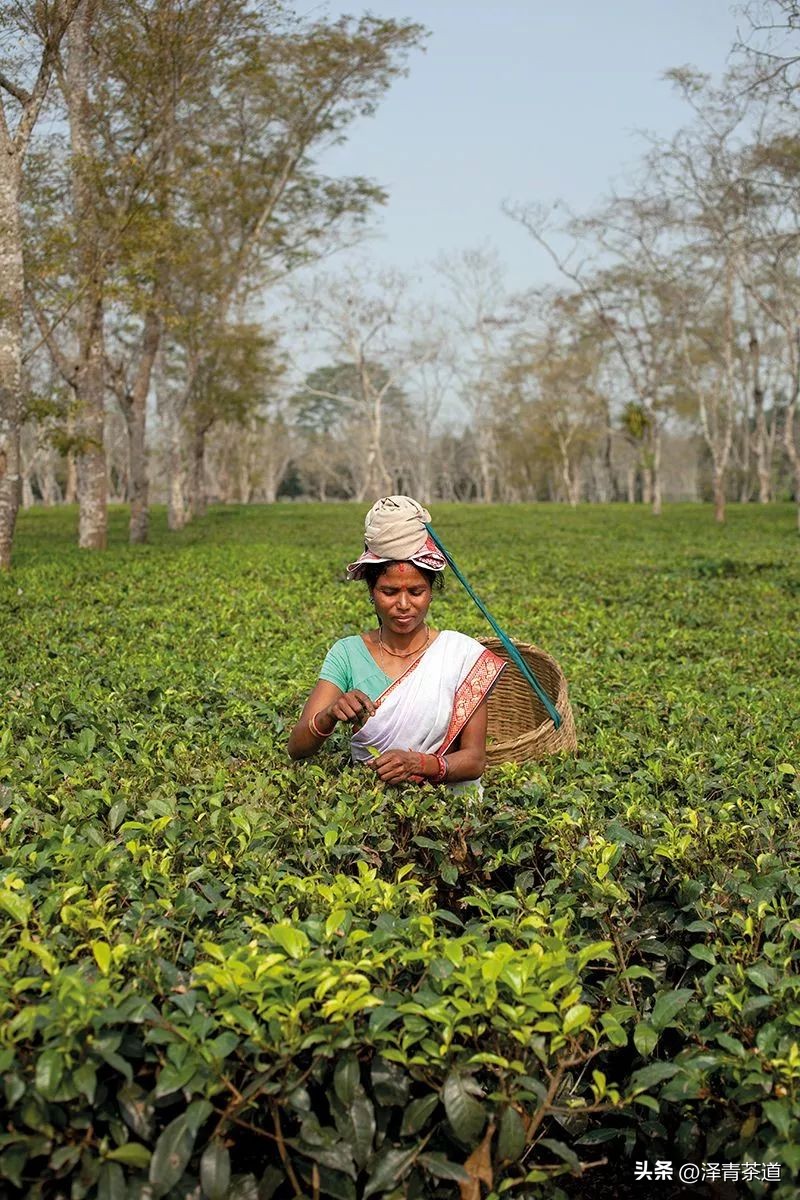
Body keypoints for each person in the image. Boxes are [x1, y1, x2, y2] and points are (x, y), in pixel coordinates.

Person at [288, 496, 506, 791]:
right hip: (369, 806)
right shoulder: (347, 654)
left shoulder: (460, 656)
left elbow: (474, 760)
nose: (403, 605)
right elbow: (297, 747)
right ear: (372, 592)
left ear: (431, 592)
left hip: (448, 808)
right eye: (389, 592)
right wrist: (329, 715)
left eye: (416, 592)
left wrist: (420, 764)